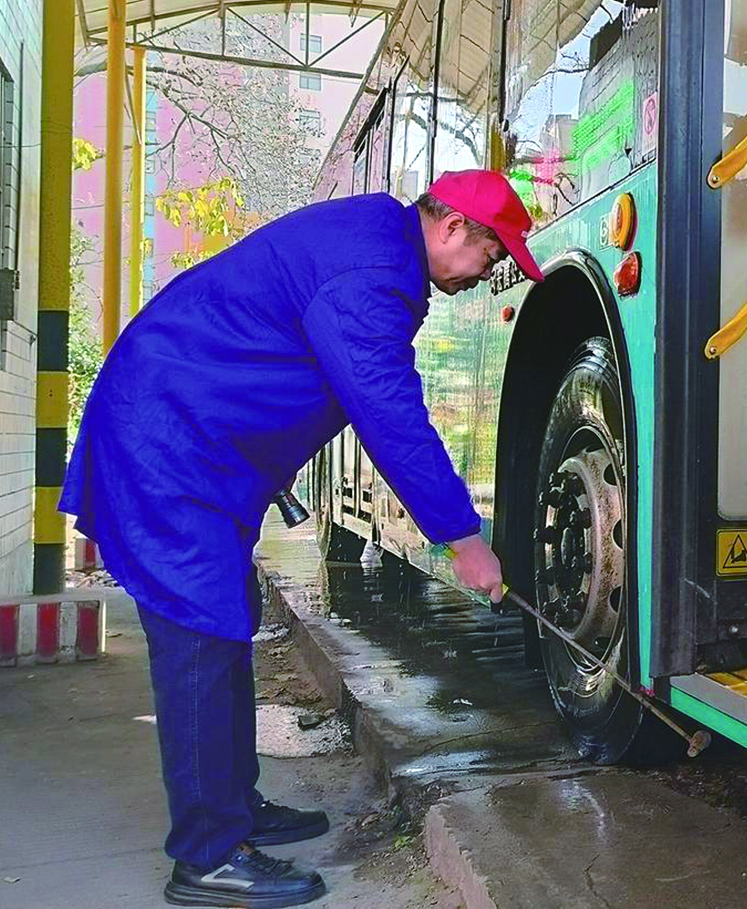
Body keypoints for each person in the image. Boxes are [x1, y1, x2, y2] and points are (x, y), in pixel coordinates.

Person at [60, 170, 541, 908]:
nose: (491, 272)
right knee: (200, 628)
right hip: (167, 438)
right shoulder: (374, 270)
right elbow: (389, 413)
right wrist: (463, 538)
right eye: (492, 252)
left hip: (192, 439)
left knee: (229, 612)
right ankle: (208, 857)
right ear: (451, 228)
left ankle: (232, 805)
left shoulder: (378, 247)